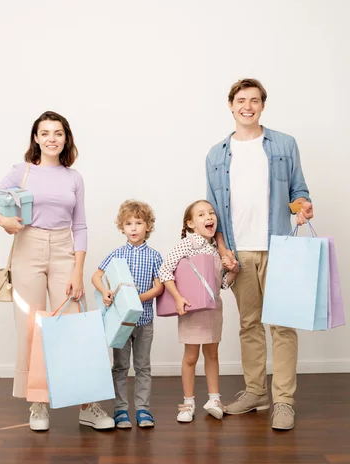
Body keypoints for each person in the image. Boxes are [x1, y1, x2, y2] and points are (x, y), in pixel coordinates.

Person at [0, 111, 114, 432]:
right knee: (32, 326)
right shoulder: (20, 171)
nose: (52, 138)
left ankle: (86, 404)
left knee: (76, 324)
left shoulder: (74, 178)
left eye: (58, 133)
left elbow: (79, 226)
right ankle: (38, 403)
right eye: (45, 133)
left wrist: (78, 269)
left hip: (65, 248)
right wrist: (4, 221)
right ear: (35, 138)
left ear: (66, 138)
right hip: (28, 246)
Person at [206, 78, 313, 431]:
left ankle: (283, 400)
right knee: (249, 324)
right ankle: (256, 392)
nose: (247, 106)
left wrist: (302, 206)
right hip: (240, 252)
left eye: (254, 100)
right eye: (241, 100)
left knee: (282, 326)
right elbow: (213, 212)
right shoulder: (217, 154)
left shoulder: (284, 144)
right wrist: (223, 251)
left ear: (262, 105)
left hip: (279, 246)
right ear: (231, 105)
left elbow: (298, 190)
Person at [159, 200, 238, 423]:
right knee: (191, 357)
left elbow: (222, 284)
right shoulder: (188, 244)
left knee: (212, 354)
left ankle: (214, 399)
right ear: (191, 224)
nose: (208, 217)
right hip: (192, 310)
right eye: (201, 215)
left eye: (211, 213)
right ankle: (188, 402)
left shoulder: (217, 250)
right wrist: (177, 298)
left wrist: (234, 270)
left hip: (213, 311)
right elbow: (165, 270)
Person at [92, 200, 163, 429]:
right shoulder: (117, 254)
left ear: (148, 226)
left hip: (144, 322)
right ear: (121, 227)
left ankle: (143, 410)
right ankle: (121, 410)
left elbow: (159, 287)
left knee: (143, 366)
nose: (133, 228)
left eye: (138, 223)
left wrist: (136, 300)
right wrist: (106, 292)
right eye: (128, 223)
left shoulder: (154, 256)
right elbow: (96, 277)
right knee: (120, 367)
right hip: (121, 322)